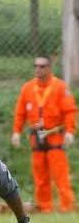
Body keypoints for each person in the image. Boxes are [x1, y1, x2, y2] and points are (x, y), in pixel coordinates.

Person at [11, 55, 76, 213]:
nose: (38, 69)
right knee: (40, 175)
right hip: (36, 137)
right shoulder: (28, 88)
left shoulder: (60, 87)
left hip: (54, 135)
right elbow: (20, 112)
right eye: (36, 66)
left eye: (42, 66)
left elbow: (70, 111)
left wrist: (70, 131)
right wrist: (16, 132)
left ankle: (67, 206)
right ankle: (44, 207)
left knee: (60, 174)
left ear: (49, 68)